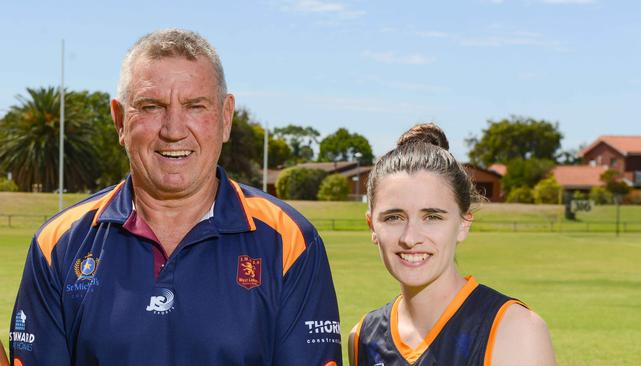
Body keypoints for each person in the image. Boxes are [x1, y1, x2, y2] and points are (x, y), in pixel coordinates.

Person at [9, 29, 342, 366]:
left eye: (195, 106)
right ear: (120, 120)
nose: (173, 129)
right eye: (152, 107)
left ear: (226, 118)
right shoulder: (59, 245)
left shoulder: (290, 241)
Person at [348, 124, 555, 366]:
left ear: (463, 224)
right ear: (372, 225)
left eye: (432, 217)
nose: (410, 237)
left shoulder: (513, 330)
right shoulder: (364, 337)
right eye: (394, 217)